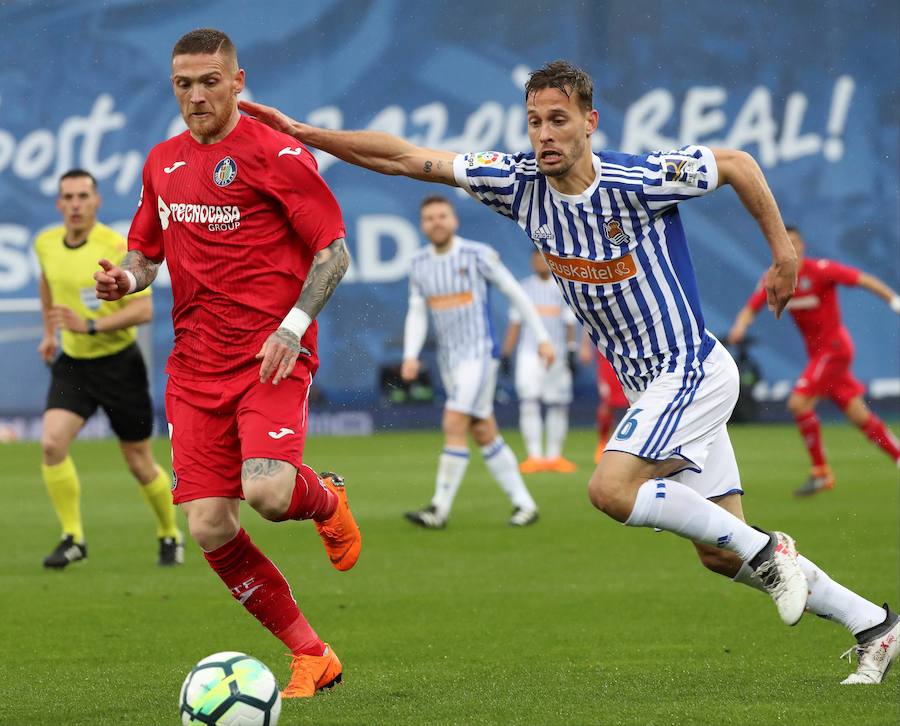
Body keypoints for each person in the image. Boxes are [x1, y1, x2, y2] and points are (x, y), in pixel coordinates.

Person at [240, 59, 899, 684]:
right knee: (719, 550)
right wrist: (304, 133)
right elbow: (409, 158)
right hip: (654, 388)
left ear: (591, 122)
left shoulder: (639, 181)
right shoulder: (517, 183)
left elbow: (737, 164)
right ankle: (874, 625)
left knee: (611, 489)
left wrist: (782, 252)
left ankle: (770, 553)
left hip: (690, 369)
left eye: (559, 119)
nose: (545, 133)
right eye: (534, 120)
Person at [93, 28, 361, 699]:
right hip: (195, 368)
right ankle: (311, 653)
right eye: (183, 83)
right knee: (210, 524)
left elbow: (334, 254)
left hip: (271, 357)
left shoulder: (278, 153)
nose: (196, 95)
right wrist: (124, 282)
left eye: (209, 80)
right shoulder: (162, 162)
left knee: (270, 492)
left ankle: (325, 497)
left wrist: (293, 329)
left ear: (238, 81)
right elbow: (144, 256)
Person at [35, 168, 182, 569]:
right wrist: (51, 332)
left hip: (119, 364)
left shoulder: (114, 246)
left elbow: (145, 307)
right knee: (51, 445)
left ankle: (170, 533)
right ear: (59, 204)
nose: (76, 204)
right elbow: (48, 283)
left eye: (83, 196)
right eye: (68, 197)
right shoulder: (45, 244)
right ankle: (73, 538)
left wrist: (92, 325)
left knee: (138, 461)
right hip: (75, 366)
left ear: (97, 202)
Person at [402, 195, 553, 528]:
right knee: (483, 431)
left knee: (453, 422)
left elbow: (516, 293)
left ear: (454, 220)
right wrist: (411, 355)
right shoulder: (419, 264)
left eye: (442, 216)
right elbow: (416, 311)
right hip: (449, 361)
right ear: (423, 224)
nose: (436, 222)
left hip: (480, 356)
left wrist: (542, 338)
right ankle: (524, 504)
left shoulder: (477, 255)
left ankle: (438, 509)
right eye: (429, 218)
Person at [729, 226, 900, 495]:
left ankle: (821, 471)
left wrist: (894, 301)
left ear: (802, 247)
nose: (792, 249)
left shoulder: (820, 270)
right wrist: (739, 328)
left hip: (833, 349)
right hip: (822, 356)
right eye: (787, 244)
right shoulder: (776, 278)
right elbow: (752, 307)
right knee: (859, 415)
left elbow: (863, 279)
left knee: (797, 403)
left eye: (796, 243)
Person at [500, 248, 578, 474]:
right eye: (535, 260)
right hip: (528, 353)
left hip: (557, 353)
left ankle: (554, 456)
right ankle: (534, 456)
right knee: (529, 402)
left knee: (558, 404)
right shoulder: (524, 289)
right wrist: (507, 353)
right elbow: (515, 323)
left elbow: (569, 322)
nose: (539, 264)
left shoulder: (562, 287)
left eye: (542, 259)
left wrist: (571, 350)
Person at [579, 333, 629, 465]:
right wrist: (585, 345)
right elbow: (590, 317)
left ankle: (632, 446)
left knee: (635, 401)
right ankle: (603, 443)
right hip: (607, 350)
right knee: (608, 400)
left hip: (632, 349)